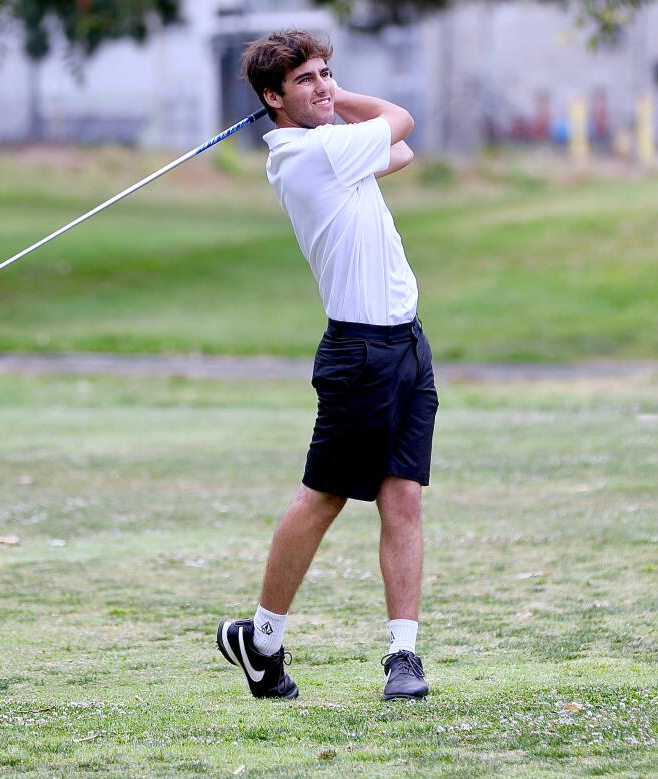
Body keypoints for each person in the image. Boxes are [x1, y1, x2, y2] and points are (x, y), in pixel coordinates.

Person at [215, 30, 437, 702]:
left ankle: (403, 655)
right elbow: (400, 119)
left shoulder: (333, 148)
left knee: (403, 496)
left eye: (327, 74)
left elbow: (399, 150)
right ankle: (262, 637)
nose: (323, 86)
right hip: (359, 354)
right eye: (305, 80)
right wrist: (341, 102)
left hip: (406, 346)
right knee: (324, 497)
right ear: (270, 98)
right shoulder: (303, 153)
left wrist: (332, 99)